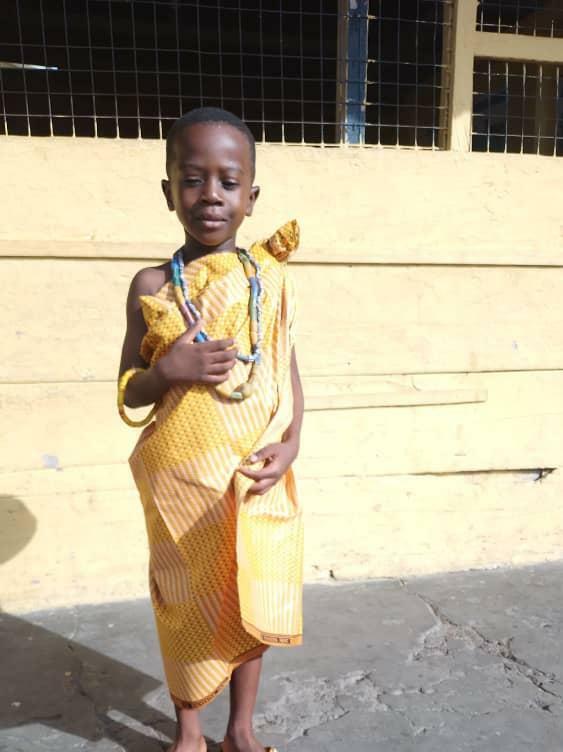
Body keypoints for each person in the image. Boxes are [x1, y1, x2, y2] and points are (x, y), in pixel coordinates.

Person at [117, 107, 304, 752]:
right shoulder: (152, 285)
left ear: (252, 196)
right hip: (180, 482)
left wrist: (292, 444)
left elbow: (287, 371)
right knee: (184, 598)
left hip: (252, 472)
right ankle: (190, 732)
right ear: (168, 191)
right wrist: (168, 370)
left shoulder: (268, 280)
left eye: (229, 181)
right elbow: (129, 390)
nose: (211, 195)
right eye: (193, 179)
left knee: (251, 592)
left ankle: (240, 730)